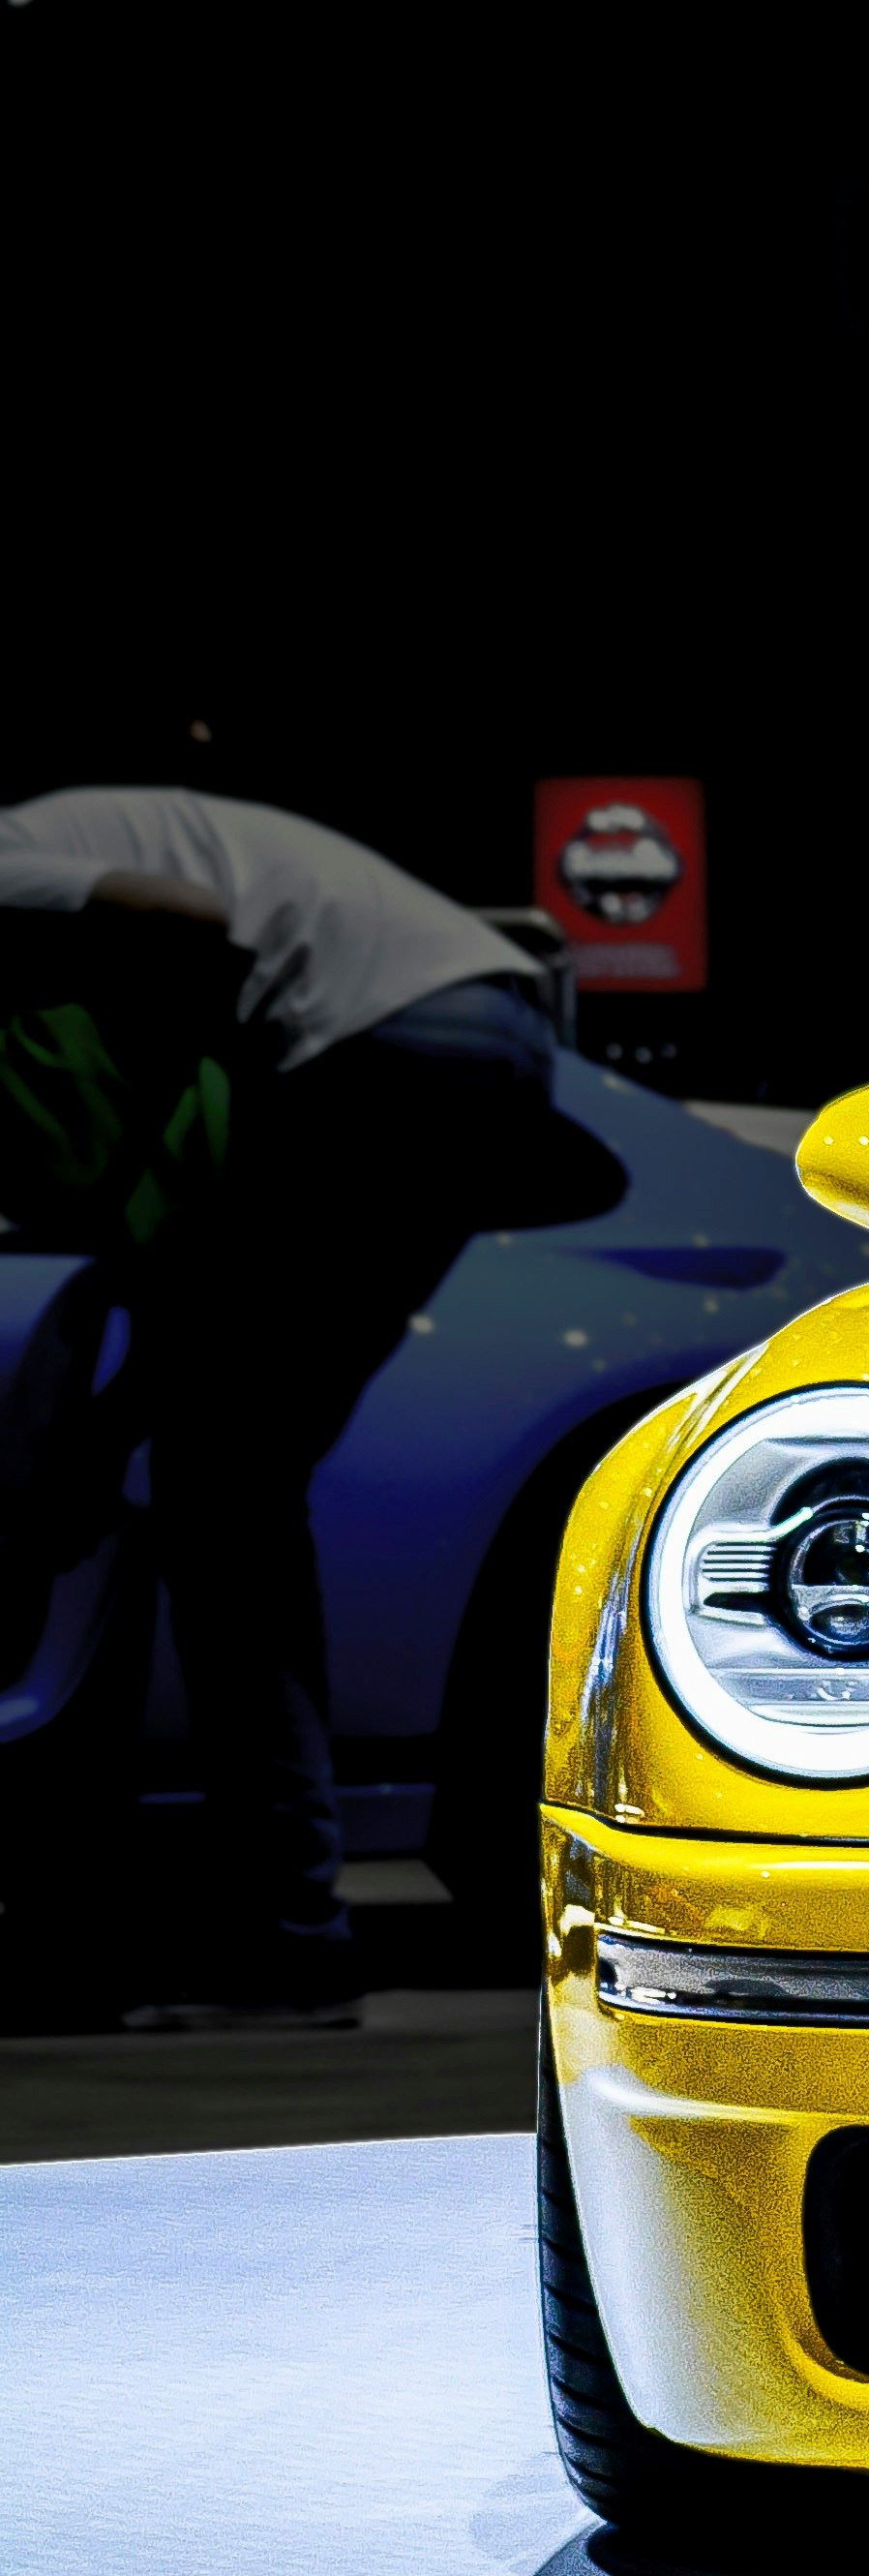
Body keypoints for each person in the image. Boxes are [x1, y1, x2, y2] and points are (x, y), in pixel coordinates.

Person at [0, 789, 570, 2027]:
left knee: (220, 1490)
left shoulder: (8, 861)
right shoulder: (73, 831)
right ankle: (288, 1931)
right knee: (231, 1479)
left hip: (379, 1048)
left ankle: (289, 1946)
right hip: (478, 1029)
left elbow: (186, 917)